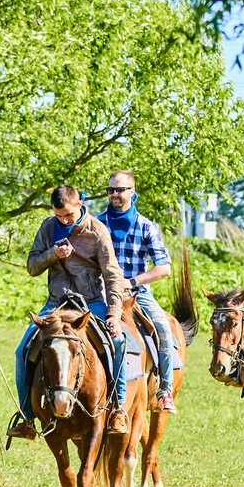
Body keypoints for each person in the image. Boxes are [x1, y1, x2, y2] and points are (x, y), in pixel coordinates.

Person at [6, 185, 130, 441]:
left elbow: (112, 273)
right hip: (56, 304)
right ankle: (27, 417)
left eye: (69, 215)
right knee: (22, 350)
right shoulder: (48, 227)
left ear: (80, 205)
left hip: (91, 302)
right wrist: (52, 254)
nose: (63, 220)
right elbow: (31, 266)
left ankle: (118, 408)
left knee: (117, 341)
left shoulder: (97, 230)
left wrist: (114, 313)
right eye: (59, 215)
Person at [96, 169, 178, 413]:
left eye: (120, 189)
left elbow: (164, 268)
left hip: (136, 293)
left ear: (133, 192)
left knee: (163, 329)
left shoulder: (146, 226)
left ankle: (165, 390)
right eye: (111, 190)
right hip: (98, 292)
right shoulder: (96, 223)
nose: (114, 194)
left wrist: (131, 282)